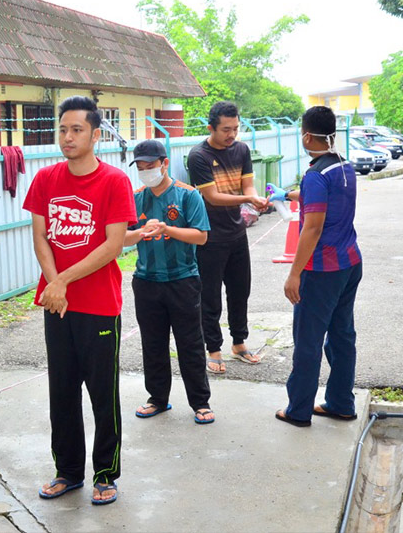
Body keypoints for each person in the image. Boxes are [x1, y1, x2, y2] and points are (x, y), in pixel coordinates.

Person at [23, 95, 136, 506]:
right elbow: (39, 236)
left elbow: (113, 245)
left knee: (102, 395)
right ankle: (68, 471)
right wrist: (55, 286)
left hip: (99, 306)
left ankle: (106, 473)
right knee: (62, 392)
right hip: (59, 305)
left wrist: (63, 280)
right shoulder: (45, 179)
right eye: (63, 129)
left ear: (95, 134)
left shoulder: (114, 181)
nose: (67, 137)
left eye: (77, 130)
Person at [273, 106, 362, 427]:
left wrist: (294, 273)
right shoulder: (343, 167)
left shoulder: (314, 174)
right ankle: (340, 402)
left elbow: (312, 227)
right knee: (342, 336)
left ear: (307, 136)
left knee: (308, 341)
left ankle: (298, 410)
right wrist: (287, 195)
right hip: (350, 263)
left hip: (322, 270)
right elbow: (319, 197)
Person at [123, 140, 214, 424]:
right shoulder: (136, 197)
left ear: (164, 163)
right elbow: (118, 240)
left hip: (183, 279)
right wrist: (140, 233)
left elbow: (201, 236)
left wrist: (167, 229)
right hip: (146, 280)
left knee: (190, 343)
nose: (146, 171)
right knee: (153, 343)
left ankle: (200, 402)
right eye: (140, 167)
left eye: (150, 166)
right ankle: (157, 398)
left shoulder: (188, 195)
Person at [186, 101, 269, 374]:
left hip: (236, 233)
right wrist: (248, 199)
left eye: (235, 128)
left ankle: (239, 343)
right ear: (211, 128)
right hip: (209, 235)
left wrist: (253, 197)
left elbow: (247, 184)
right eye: (226, 130)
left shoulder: (241, 150)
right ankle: (213, 349)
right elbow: (211, 196)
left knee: (240, 291)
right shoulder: (198, 155)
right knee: (209, 296)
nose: (232, 134)